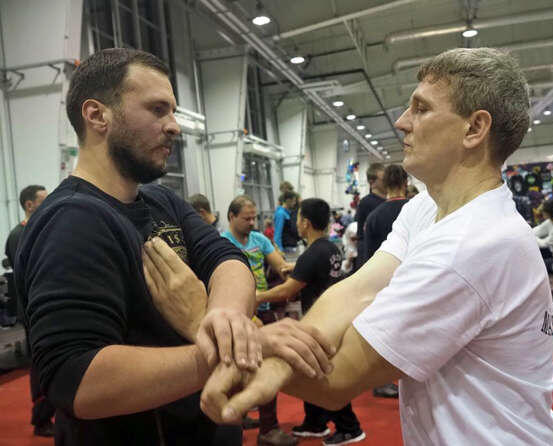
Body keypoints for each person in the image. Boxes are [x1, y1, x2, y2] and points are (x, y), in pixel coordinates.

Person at [156, 47, 553, 445]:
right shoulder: (426, 208)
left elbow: (337, 380)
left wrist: (204, 323)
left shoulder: (472, 245)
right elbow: (356, 291)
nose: (402, 122)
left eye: (421, 109)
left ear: (474, 129)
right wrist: (278, 357)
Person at [14, 48, 332, 446]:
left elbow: (228, 259)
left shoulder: (159, 200)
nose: (174, 127)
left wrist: (222, 319)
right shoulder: (72, 221)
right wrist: (224, 351)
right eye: (157, 110)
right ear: (97, 116)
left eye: (173, 112)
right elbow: (75, 380)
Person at [253, 198, 365, 445]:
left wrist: (257, 296)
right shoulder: (330, 247)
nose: (296, 223)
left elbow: (287, 291)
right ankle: (315, 422)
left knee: (323, 375)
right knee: (310, 371)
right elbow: (313, 269)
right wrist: (295, 267)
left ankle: (350, 427)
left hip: (320, 323)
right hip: (333, 318)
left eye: (298, 219)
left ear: (305, 222)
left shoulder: (312, 254)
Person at [220, 195, 297, 446]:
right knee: (236, 366)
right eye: (247, 218)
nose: (252, 222)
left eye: (254, 218)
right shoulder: (222, 243)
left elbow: (280, 266)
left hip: (262, 308)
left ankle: (268, 428)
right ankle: (242, 416)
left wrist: (294, 274)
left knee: (265, 366)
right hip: (236, 312)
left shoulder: (260, 239)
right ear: (231, 217)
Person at [3, 184, 55, 437]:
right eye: (43, 200)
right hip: (34, 309)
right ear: (29, 205)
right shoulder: (18, 235)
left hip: (48, 305)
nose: (48, 202)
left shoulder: (42, 229)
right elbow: (29, 274)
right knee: (41, 361)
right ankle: (41, 418)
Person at [363, 164, 409, 400]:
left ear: (385, 184)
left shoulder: (374, 216)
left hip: (384, 283)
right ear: (406, 183)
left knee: (383, 334)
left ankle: (381, 381)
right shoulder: (417, 210)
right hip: (414, 280)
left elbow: (368, 256)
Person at [354, 163, 386, 267]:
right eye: (383, 179)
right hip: (374, 255)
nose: (387, 181)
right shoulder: (365, 203)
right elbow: (361, 235)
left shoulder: (390, 200)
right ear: (372, 182)